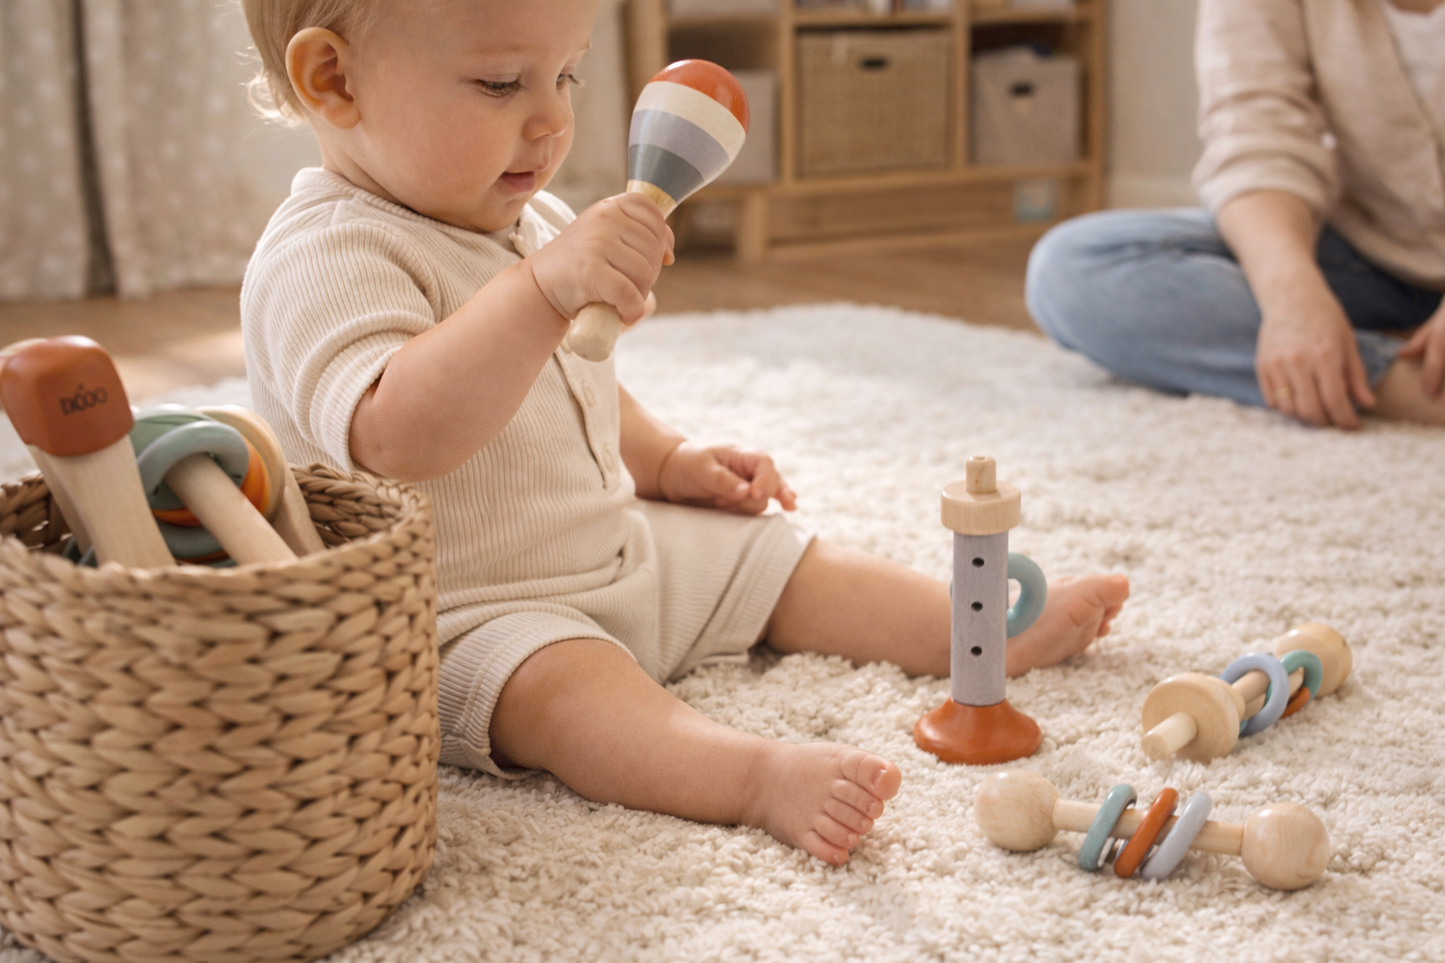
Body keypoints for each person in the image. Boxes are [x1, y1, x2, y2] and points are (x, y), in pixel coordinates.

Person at [238, 0, 1130, 866]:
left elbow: (570, 382)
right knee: (573, 700)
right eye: (500, 83)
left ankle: (973, 634)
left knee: (775, 555)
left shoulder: (522, 223)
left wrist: (665, 459)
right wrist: (541, 291)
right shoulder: (326, 255)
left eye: (566, 74)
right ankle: (752, 777)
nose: (551, 117)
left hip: (616, 548)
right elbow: (397, 434)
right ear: (334, 81)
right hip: (467, 615)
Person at [1026, 0, 1445, 430]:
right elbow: (1257, 136)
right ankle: (1411, 389)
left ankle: (1352, 376)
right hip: (1368, 253)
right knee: (1071, 270)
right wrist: (1292, 298)